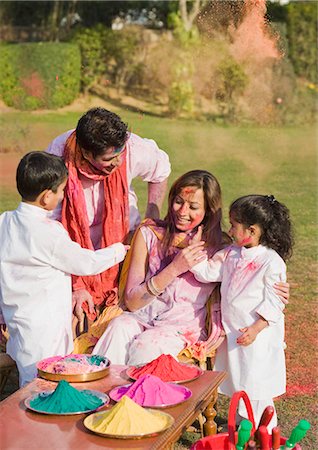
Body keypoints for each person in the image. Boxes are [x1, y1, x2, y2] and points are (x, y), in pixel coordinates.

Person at [92, 172, 289, 367]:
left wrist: (276, 289)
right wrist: (175, 268)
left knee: (147, 346)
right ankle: (96, 394)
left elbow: (253, 268)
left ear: (209, 211)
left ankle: (134, 398)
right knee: (118, 328)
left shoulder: (221, 248)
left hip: (179, 327)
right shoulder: (150, 234)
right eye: (179, 201)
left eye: (193, 207)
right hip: (141, 315)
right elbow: (132, 303)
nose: (182, 211)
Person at [0, 152, 128, 386]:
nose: (62, 196)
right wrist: (117, 251)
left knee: (29, 378)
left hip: (17, 321)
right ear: (47, 197)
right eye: (61, 191)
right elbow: (85, 262)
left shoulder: (5, 221)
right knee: (43, 384)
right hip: (46, 327)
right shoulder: (48, 232)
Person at [46, 107, 171, 322]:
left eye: (120, 154)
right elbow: (50, 222)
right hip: (73, 251)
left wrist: (152, 214)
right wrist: (76, 283)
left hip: (123, 245)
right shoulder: (59, 154)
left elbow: (161, 169)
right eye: (109, 158)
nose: (119, 162)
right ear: (85, 153)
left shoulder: (132, 147)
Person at [190, 194, 294, 430]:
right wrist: (190, 255)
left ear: (252, 230)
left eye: (234, 226)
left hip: (258, 335)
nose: (230, 230)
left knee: (256, 382)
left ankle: (263, 429)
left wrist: (257, 328)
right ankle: (241, 422)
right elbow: (208, 272)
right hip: (235, 332)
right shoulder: (230, 254)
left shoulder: (271, 261)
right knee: (240, 379)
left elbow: (275, 301)